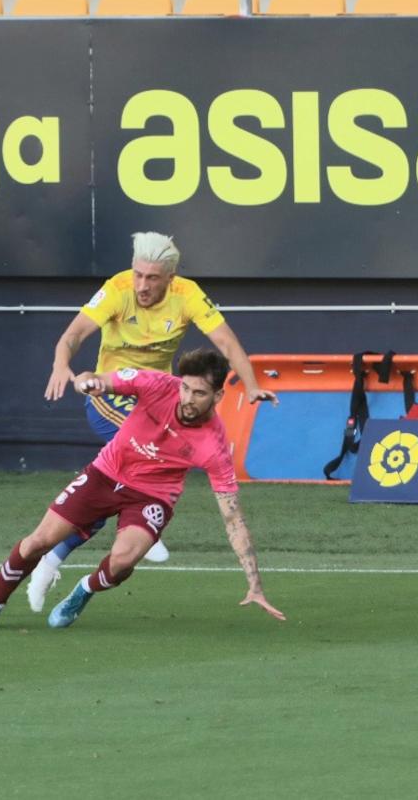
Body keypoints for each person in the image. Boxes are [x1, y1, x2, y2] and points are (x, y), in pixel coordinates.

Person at [29, 231, 277, 612]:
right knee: (135, 469)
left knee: (108, 493)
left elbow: (226, 343)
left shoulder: (187, 296)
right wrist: (62, 366)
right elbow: (73, 334)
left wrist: (253, 384)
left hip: (158, 399)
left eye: (152, 278)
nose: (142, 285)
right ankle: (138, 525)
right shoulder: (117, 288)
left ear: (170, 277)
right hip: (110, 396)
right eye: (138, 274)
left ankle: (53, 558)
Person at [0, 348, 285, 630]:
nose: (188, 398)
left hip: (151, 496)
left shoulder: (213, 445)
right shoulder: (156, 384)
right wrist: (88, 382)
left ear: (218, 396)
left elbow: (233, 519)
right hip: (104, 473)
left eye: (199, 394)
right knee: (38, 542)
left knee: (123, 561)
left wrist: (254, 584)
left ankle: (83, 590)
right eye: (186, 388)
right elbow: (100, 379)